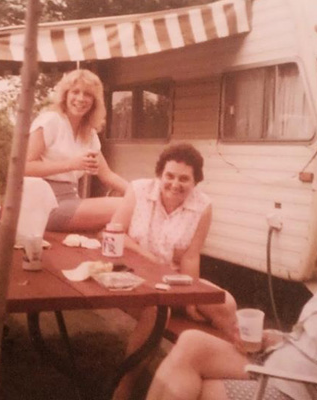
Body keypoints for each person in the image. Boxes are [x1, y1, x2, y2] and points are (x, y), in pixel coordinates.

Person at [146, 199, 317, 400]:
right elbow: (311, 340)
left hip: (304, 391)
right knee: (191, 342)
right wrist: (272, 339)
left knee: (208, 390)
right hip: (278, 368)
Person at [111, 143, 238, 400]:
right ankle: (126, 384)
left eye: (184, 178)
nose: (175, 184)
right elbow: (116, 234)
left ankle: (220, 377)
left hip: (174, 280)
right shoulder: (138, 190)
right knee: (159, 311)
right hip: (133, 274)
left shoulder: (203, 206)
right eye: (169, 176)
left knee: (228, 305)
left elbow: (191, 255)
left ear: (196, 181)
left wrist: (191, 298)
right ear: (160, 174)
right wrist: (151, 261)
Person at [25, 69, 128, 232]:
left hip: (71, 201)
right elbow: (24, 168)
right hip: (43, 205)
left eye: (87, 94)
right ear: (65, 95)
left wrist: (140, 194)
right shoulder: (51, 120)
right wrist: (72, 164)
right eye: (75, 92)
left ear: (94, 101)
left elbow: (107, 175)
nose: (81, 99)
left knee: (131, 204)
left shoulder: (89, 133)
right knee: (124, 206)